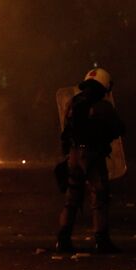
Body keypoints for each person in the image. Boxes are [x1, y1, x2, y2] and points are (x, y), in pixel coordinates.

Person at [56, 68, 125, 254]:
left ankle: (63, 240)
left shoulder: (72, 102)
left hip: (73, 155)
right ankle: (102, 241)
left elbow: (66, 131)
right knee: (99, 197)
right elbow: (119, 128)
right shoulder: (103, 106)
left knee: (71, 198)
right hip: (92, 155)